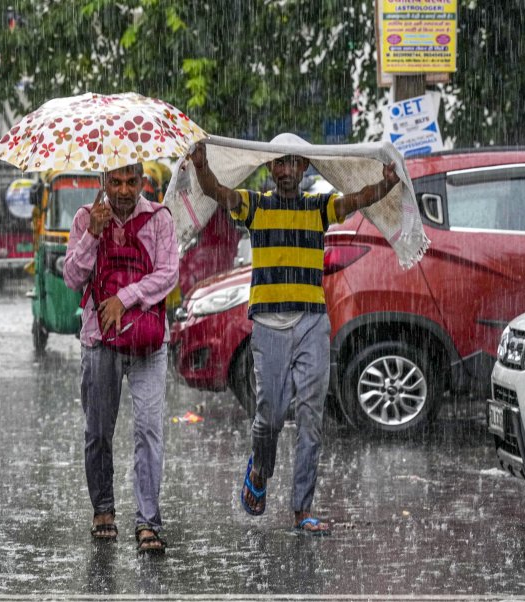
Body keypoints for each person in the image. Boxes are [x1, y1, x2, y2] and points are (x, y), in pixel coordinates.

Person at [189, 136, 400, 535]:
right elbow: (217, 192)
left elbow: (357, 199)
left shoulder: (319, 208)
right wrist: (201, 166)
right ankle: (260, 471)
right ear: (270, 168)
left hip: (311, 322)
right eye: (279, 164)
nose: (286, 171)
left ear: (305, 168)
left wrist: (386, 184)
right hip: (268, 324)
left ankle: (302, 508)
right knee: (268, 418)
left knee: (310, 418)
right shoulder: (256, 205)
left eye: (294, 164)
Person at [63, 163, 179, 554]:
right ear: (103, 183)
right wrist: (92, 236)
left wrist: (124, 298)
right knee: (98, 432)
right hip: (100, 341)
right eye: (116, 181)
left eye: (131, 181)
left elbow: (168, 274)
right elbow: (72, 278)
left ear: (143, 182)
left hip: (148, 342)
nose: (124, 190)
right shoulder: (84, 218)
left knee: (149, 430)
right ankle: (104, 510)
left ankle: (148, 521)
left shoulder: (160, 218)